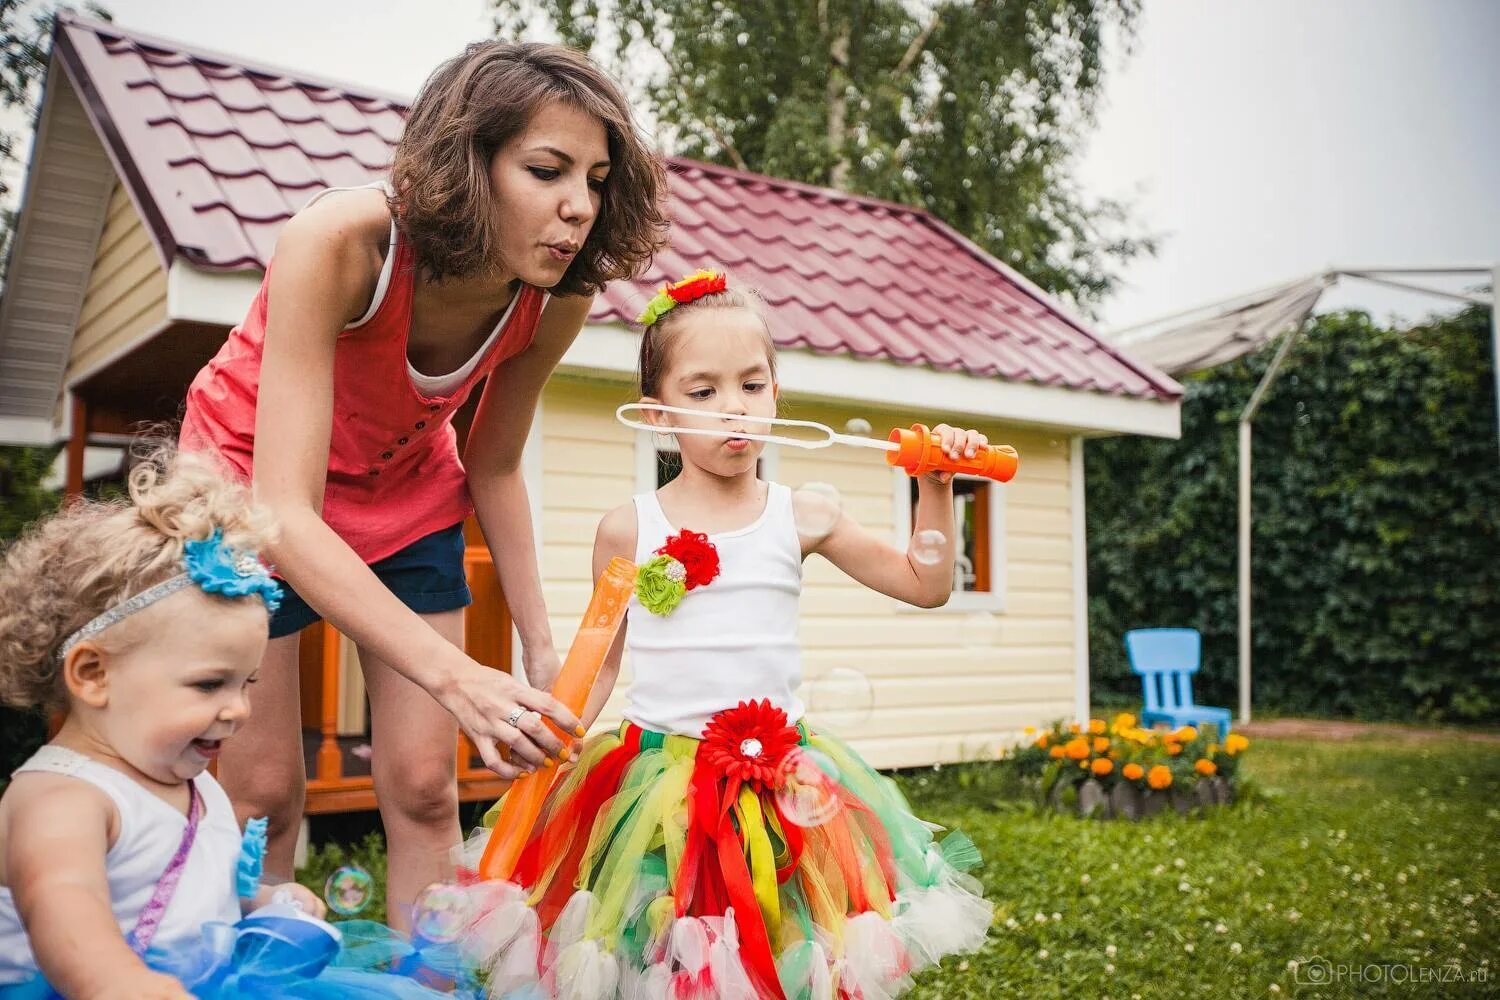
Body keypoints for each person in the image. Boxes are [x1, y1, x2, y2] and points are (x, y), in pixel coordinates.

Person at [178, 40, 670, 922]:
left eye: (596, 180)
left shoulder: (555, 296)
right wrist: (459, 675)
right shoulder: (342, 242)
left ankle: (425, 986)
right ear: (467, 162)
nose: (578, 209)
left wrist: (540, 645)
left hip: (404, 498)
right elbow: (283, 512)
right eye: (548, 170)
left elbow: (494, 459)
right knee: (263, 795)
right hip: (246, 494)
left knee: (425, 790)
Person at [460, 271, 993, 1000]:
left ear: (778, 394)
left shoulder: (804, 514)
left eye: (751, 385)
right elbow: (601, 665)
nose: (733, 410)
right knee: (667, 952)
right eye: (703, 392)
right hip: (657, 784)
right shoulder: (630, 528)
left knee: (781, 953)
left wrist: (935, 486)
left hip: (782, 782)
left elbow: (925, 585)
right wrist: (555, 735)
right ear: (656, 415)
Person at [0, 450, 322, 997]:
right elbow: (66, 918)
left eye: (247, 683)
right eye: (208, 684)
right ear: (95, 673)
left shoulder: (195, 786)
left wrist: (261, 902)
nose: (238, 709)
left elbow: (198, 889)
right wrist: (127, 985)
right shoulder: (60, 799)